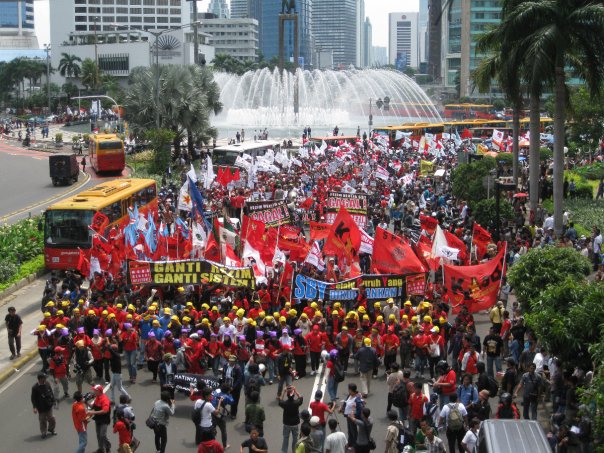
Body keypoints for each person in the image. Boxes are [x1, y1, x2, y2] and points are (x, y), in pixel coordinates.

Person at [31, 372, 57, 439]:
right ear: (40, 379)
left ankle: (51, 429)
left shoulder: (47, 383)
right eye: (44, 378)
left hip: (48, 405)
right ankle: (43, 432)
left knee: (52, 418)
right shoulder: (35, 388)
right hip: (41, 407)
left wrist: (54, 400)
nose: (45, 379)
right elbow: (33, 398)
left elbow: (51, 392)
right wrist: (34, 407)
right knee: (42, 420)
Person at [278, 384, 303, 453]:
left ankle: (284, 451)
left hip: (287, 424)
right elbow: (301, 398)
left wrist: (284, 391)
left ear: (287, 395)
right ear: (293, 395)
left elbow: (280, 401)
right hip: (295, 424)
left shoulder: (285, 404)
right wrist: (295, 390)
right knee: (295, 439)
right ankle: (294, 451)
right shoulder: (296, 403)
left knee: (285, 438)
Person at [87, 384, 111, 453]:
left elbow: (105, 411)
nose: (94, 391)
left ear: (99, 391)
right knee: (98, 435)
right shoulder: (97, 398)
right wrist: (86, 402)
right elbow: (93, 407)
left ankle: (107, 446)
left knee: (102, 435)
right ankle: (101, 449)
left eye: (95, 390)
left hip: (104, 420)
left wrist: (93, 412)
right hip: (98, 419)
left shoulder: (104, 399)